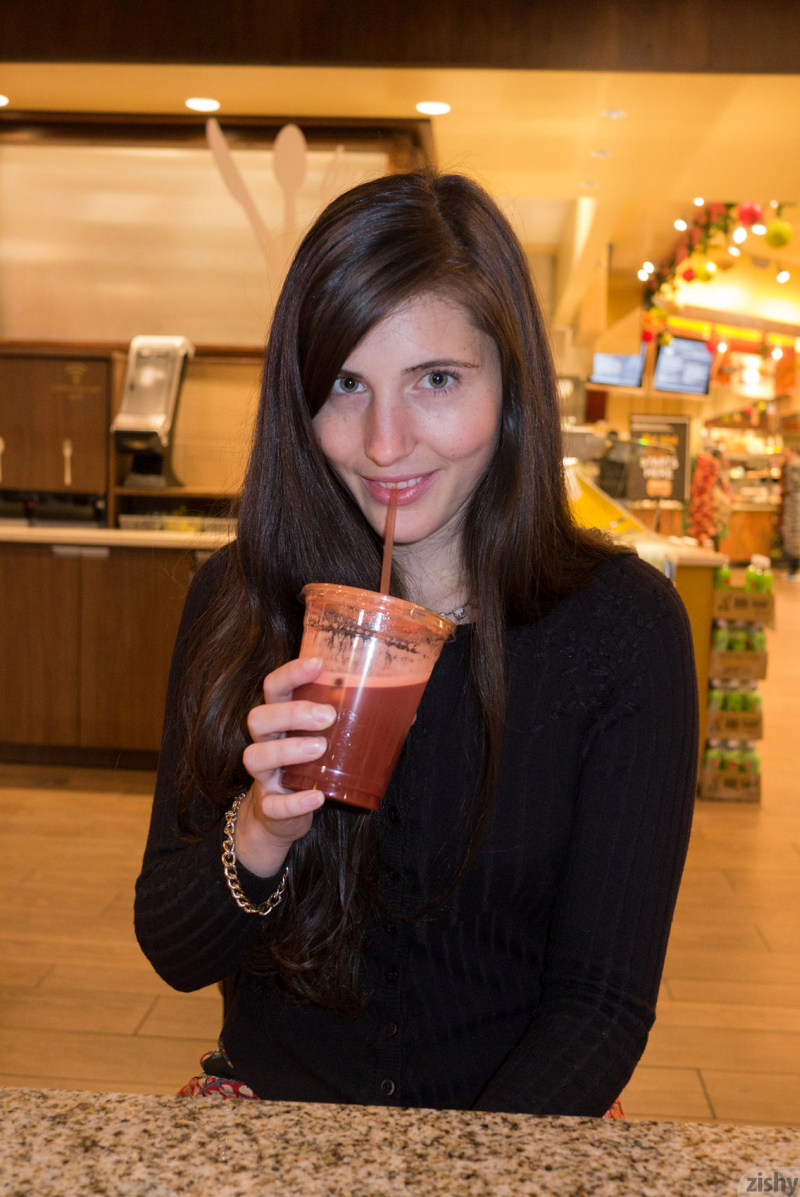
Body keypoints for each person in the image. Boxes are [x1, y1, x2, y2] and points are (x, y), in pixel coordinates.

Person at [134, 170, 698, 1117]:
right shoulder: (238, 599)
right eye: (346, 385)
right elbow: (174, 949)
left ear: (511, 383)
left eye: (436, 381)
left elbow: (601, 1007)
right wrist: (263, 826)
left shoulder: (622, 631)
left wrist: (453, 1173)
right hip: (275, 1121)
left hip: (517, 1142)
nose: (385, 444)